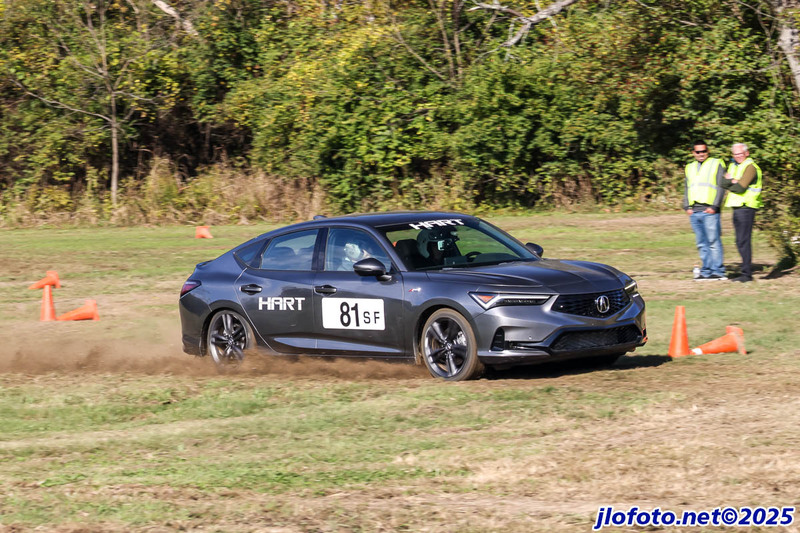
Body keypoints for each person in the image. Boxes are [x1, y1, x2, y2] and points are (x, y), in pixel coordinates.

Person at [683, 141, 727, 280]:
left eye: (703, 151)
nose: (701, 154)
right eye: (698, 152)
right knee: (701, 243)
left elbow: (721, 187)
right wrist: (687, 206)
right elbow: (687, 187)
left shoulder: (716, 163)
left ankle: (718, 271)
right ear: (693, 153)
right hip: (694, 211)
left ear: (708, 151)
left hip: (710, 210)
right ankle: (706, 271)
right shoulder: (689, 167)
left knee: (713, 242)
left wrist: (715, 206)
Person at [721, 143, 763, 282]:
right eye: (735, 154)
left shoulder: (750, 167)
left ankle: (746, 274)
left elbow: (740, 188)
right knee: (739, 241)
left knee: (743, 241)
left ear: (747, 153)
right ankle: (745, 272)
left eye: (740, 154)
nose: (738, 156)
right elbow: (722, 182)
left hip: (747, 206)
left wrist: (731, 181)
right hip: (737, 207)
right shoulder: (733, 166)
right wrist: (732, 181)